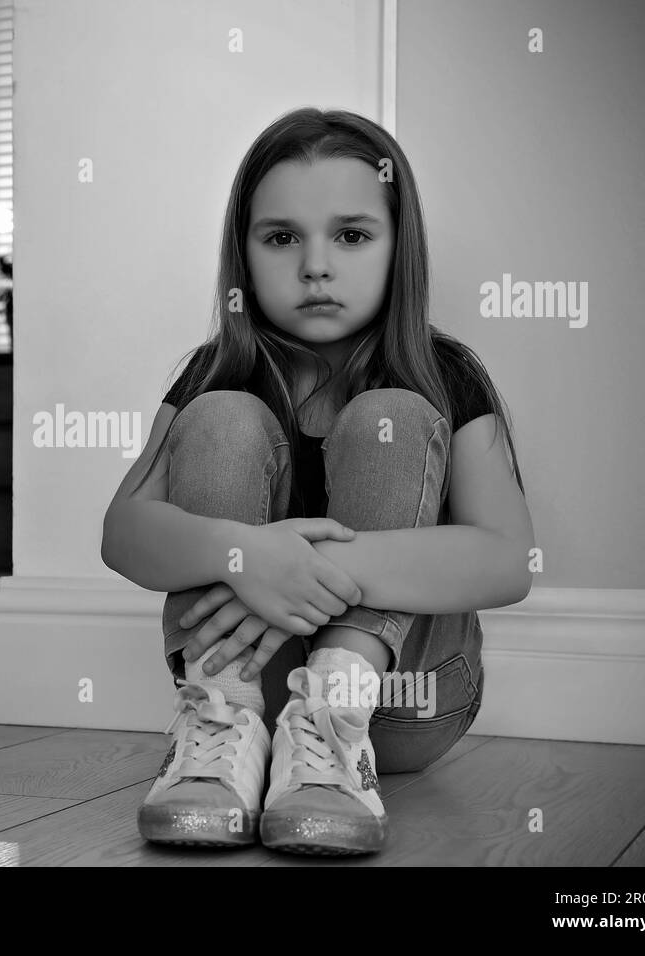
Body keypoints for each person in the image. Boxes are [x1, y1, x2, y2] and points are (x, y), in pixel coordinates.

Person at [101, 107, 536, 855]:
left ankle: (335, 744)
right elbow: (123, 535)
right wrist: (247, 553)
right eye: (280, 238)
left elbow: (508, 560)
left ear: (400, 250)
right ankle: (218, 729)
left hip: (406, 702)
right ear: (243, 255)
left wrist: (306, 567)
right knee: (222, 417)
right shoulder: (216, 373)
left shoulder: (445, 375)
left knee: (390, 417)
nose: (315, 267)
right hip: (253, 706)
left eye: (352, 235)